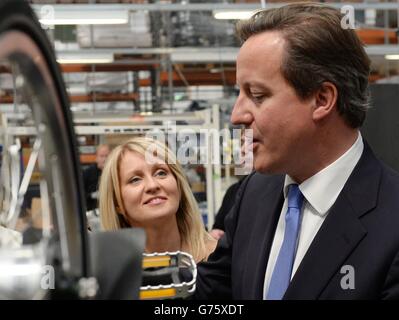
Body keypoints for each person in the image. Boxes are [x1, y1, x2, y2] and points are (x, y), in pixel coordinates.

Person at [195, 3, 399, 299]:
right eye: (239, 94)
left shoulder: (391, 221)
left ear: (322, 98)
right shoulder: (255, 194)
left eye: (258, 95)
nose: (237, 115)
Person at [98, 136, 216, 263]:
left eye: (161, 173)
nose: (152, 185)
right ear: (117, 203)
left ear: (178, 185)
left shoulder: (218, 258)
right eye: (135, 180)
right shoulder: (108, 273)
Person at [83, 144, 110, 211]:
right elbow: (79, 193)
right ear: (96, 157)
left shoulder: (113, 172)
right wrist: (92, 195)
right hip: (92, 209)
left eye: (106, 156)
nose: (104, 159)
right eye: (101, 156)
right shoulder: (87, 172)